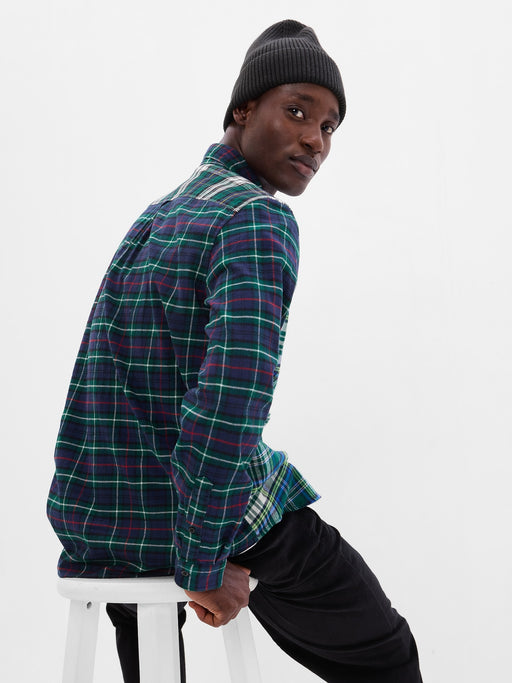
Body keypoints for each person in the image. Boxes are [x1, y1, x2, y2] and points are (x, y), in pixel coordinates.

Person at [47, 19, 423, 682]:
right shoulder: (253, 216)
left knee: (153, 634)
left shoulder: (158, 213)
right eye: (297, 111)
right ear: (242, 110)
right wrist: (200, 560)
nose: (315, 139)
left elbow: (98, 381)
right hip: (193, 517)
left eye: (329, 126)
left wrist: (105, 529)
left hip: (104, 520)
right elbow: (229, 401)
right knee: (387, 655)